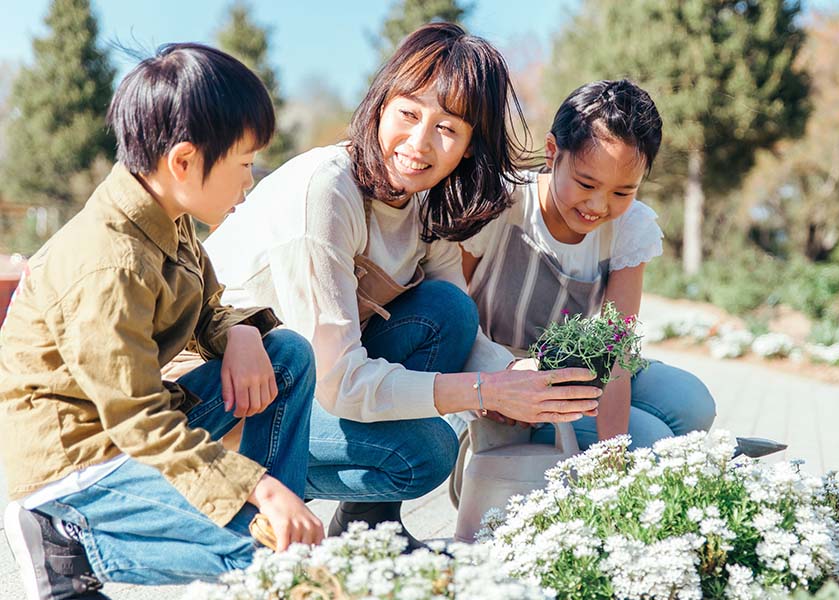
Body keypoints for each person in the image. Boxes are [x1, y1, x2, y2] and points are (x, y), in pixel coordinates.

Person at [203, 22, 601, 549]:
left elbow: (454, 319)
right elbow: (339, 383)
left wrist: (515, 374)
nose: (418, 143)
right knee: (424, 452)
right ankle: (235, 504)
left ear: (467, 146)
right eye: (409, 113)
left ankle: (368, 531)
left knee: (448, 311)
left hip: (300, 383)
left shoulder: (419, 198)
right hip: (220, 398)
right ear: (380, 104)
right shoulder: (325, 193)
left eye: (447, 128)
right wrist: (483, 392)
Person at [0, 43, 322, 600]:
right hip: (77, 462)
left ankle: (275, 542)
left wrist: (242, 333)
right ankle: (66, 544)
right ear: (184, 161)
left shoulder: (166, 216)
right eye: (244, 164)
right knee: (268, 557)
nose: (250, 183)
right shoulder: (108, 263)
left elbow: (208, 307)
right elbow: (136, 420)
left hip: (129, 426)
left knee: (285, 355)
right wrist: (256, 486)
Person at [460, 79, 716, 450]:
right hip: (495, 382)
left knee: (691, 404)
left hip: (575, 374)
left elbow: (617, 351)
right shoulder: (501, 203)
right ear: (552, 153)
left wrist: (611, 458)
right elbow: (453, 317)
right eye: (585, 183)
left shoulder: (630, 228)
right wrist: (496, 381)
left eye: (622, 192)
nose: (598, 206)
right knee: (651, 441)